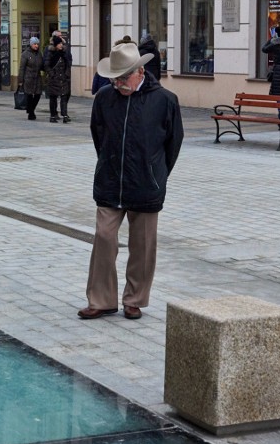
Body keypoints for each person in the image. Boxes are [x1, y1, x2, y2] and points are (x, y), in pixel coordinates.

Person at [77, 42, 184, 321]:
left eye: (123, 77)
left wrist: (156, 173)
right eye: (114, 78)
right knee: (103, 238)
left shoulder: (165, 100)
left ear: (140, 72)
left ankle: (134, 299)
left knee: (143, 246)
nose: (118, 83)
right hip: (111, 181)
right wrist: (110, 161)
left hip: (146, 185)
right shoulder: (103, 98)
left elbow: (173, 144)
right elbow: (98, 135)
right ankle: (101, 300)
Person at [44, 35, 72, 123]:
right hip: (54, 79)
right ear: (55, 44)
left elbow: (68, 64)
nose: (61, 45)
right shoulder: (50, 53)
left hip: (63, 78)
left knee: (64, 96)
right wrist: (52, 74)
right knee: (53, 98)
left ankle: (65, 115)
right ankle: (53, 115)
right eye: (59, 43)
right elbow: (46, 65)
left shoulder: (64, 53)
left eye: (61, 43)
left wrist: (67, 74)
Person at [19, 37, 44, 119]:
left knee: (38, 95)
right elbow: (22, 68)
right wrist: (20, 80)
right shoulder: (25, 54)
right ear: (31, 44)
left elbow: (42, 65)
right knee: (29, 96)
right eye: (34, 44)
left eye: (37, 44)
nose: (36, 46)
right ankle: (31, 113)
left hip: (37, 78)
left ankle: (31, 109)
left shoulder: (39, 54)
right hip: (28, 78)